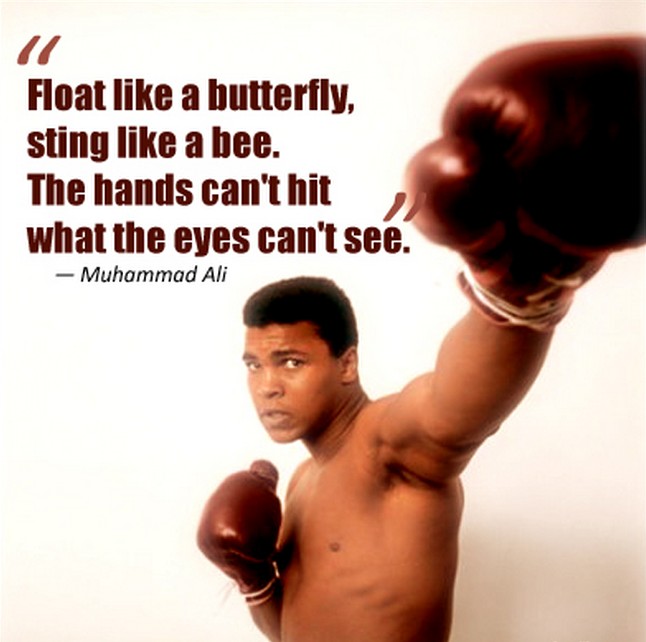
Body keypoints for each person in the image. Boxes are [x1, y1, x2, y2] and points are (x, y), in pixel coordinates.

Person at [196, 36, 645, 642]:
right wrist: (255, 581)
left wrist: (521, 291)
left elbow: (455, 410)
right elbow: (293, 630)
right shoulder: (301, 484)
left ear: (346, 362)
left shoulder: (386, 445)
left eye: (290, 361)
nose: (266, 386)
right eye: (253, 365)